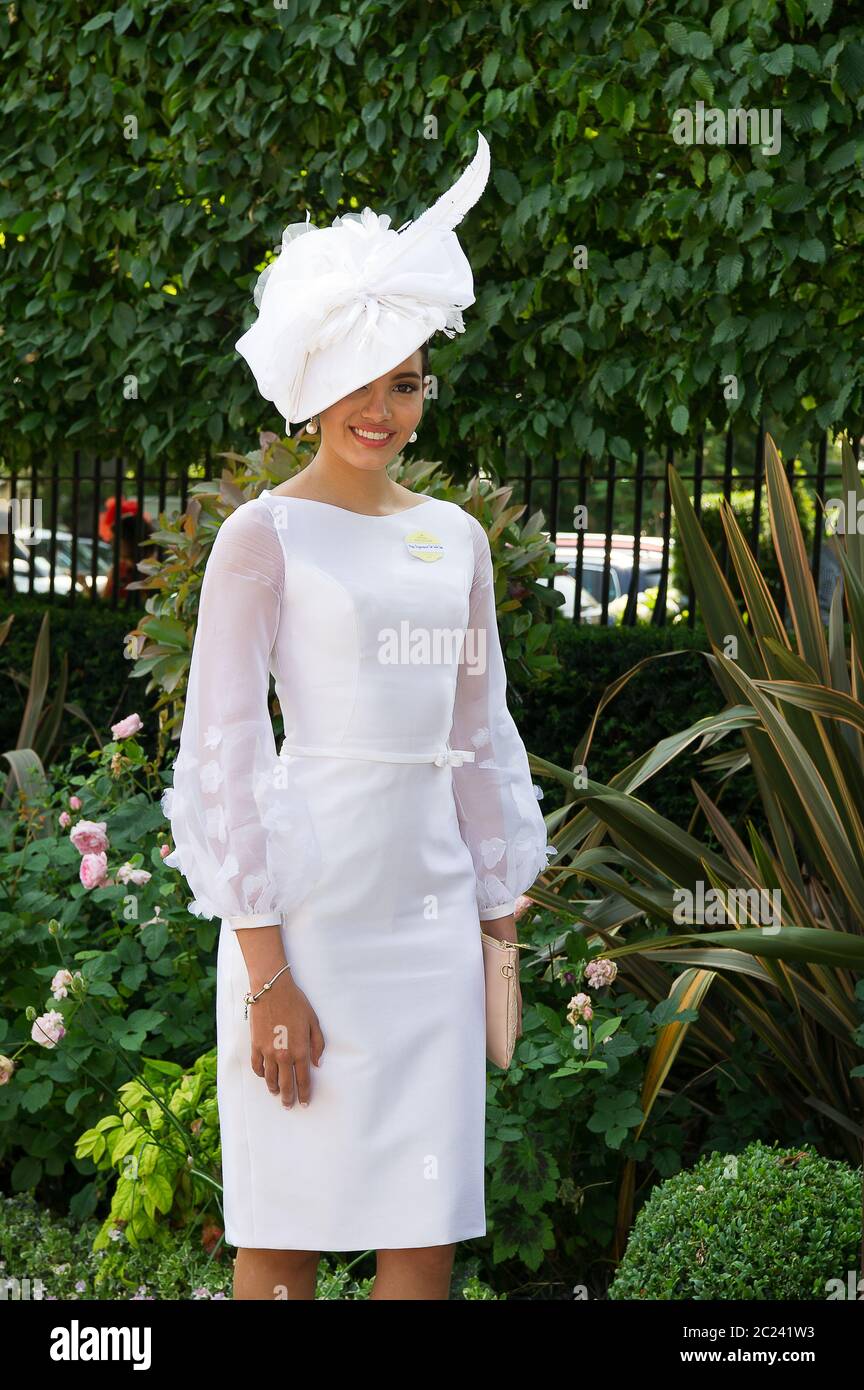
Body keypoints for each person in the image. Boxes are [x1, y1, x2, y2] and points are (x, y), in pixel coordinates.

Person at [160, 131, 555, 1301]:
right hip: (307, 922)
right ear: (312, 377)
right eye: (360, 377)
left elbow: (481, 741)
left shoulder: (458, 538)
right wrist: (267, 974)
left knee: (420, 1230)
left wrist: (498, 939)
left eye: (405, 381)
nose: (380, 408)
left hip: (428, 925)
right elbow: (225, 754)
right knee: (280, 1230)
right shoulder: (260, 536)